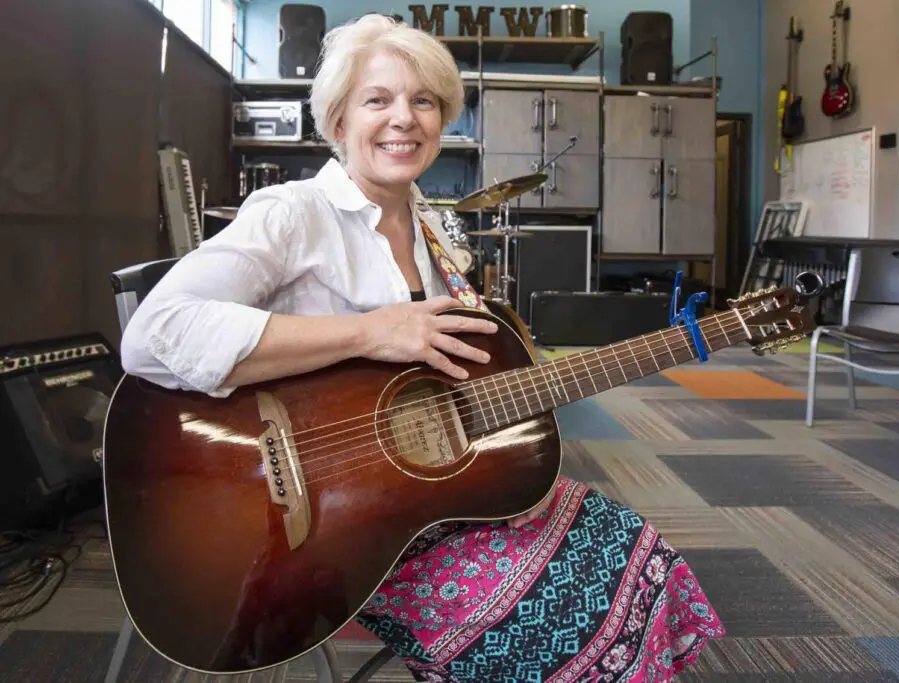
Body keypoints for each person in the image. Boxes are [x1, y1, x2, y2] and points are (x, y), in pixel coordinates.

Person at [120, 14, 724, 681]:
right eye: (378, 100)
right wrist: (367, 330)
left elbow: (431, 378)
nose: (403, 119)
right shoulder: (292, 213)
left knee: (639, 549)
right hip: (330, 528)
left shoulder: (432, 229)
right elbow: (156, 332)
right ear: (339, 119)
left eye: (424, 101)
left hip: (427, 494)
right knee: (557, 612)